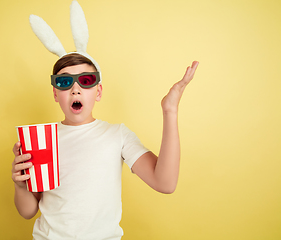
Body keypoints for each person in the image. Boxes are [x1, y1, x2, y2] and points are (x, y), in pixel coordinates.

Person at [11, 52, 199, 239]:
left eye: (86, 81)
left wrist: (170, 110)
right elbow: (27, 211)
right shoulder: (41, 139)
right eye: (64, 82)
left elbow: (165, 183)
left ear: (98, 92)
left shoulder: (118, 135)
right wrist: (20, 186)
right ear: (55, 93)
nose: (75, 90)